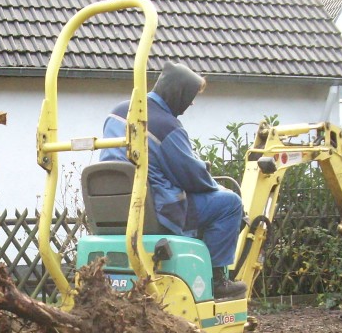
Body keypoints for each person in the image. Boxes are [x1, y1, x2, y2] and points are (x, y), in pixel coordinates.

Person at [98, 62, 247, 300]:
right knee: (230, 204)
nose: (190, 105)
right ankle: (217, 281)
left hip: (115, 208)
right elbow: (192, 177)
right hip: (156, 208)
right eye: (190, 98)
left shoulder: (117, 112)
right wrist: (213, 182)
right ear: (178, 94)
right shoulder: (166, 126)